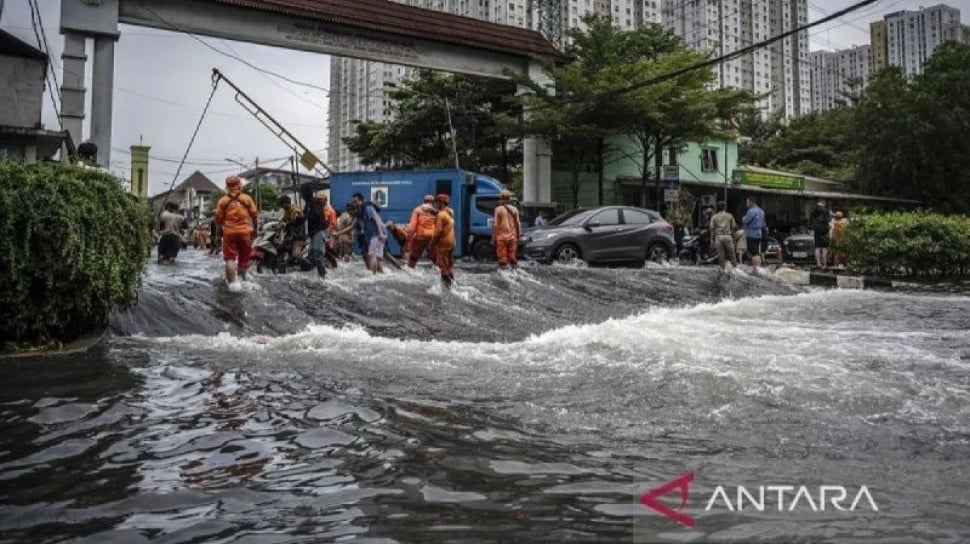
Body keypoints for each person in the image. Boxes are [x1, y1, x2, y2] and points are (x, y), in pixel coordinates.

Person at [215, 175, 259, 288]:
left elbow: (219, 221)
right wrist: (255, 230)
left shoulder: (222, 201)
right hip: (245, 233)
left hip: (229, 233)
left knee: (230, 258)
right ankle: (243, 282)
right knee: (244, 259)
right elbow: (254, 216)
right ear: (239, 185)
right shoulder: (247, 198)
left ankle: (233, 285)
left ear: (227, 186)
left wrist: (217, 236)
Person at [298, 185, 328, 277]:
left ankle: (324, 279)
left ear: (306, 193)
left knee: (318, 257)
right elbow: (303, 218)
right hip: (313, 233)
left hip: (318, 231)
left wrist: (306, 216)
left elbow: (316, 215)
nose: (301, 195)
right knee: (311, 256)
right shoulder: (308, 203)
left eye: (302, 193)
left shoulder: (313, 202)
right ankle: (315, 277)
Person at [352, 192, 387, 273]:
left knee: (372, 255)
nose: (354, 204)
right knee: (378, 256)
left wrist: (380, 233)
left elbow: (375, 219)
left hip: (376, 234)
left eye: (355, 201)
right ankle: (381, 274)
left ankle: (373, 276)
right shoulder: (362, 211)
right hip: (378, 234)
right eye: (353, 202)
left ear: (361, 200)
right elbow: (352, 226)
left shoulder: (367, 208)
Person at [430, 193, 456, 288]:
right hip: (452, 242)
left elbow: (437, 233)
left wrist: (431, 245)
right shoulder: (450, 213)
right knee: (449, 265)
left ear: (441, 203)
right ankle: (453, 284)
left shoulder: (441, 215)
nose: (435, 205)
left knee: (443, 266)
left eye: (437, 203)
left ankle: (448, 288)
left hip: (444, 243)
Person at [492, 189, 521, 270]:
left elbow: (496, 225)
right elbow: (517, 224)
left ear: (501, 198)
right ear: (509, 199)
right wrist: (518, 236)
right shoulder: (515, 209)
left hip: (501, 238)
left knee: (502, 260)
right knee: (512, 259)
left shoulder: (498, 209)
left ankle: (504, 276)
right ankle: (514, 274)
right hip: (512, 237)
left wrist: (493, 238)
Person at [407, 195, 438, 268]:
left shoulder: (417, 210)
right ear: (433, 203)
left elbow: (412, 227)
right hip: (432, 237)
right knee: (435, 258)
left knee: (413, 257)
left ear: (424, 201)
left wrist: (409, 239)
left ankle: (410, 271)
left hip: (420, 237)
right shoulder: (436, 212)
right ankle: (441, 273)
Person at [709, 201, 738, 270]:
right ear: (725, 207)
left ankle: (723, 269)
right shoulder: (730, 215)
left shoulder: (714, 216)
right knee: (732, 254)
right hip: (728, 236)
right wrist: (734, 238)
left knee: (721, 255)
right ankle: (735, 268)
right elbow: (733, 227)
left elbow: (711, 228)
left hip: (718, 236)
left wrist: (711, 240)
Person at [278, 194, 306, 262]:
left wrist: (286, 224)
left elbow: (295, 221)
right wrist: (279, 224)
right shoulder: (287, 211)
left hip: (299, 236)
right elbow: (282, 220)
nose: (282, 207)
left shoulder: (295, 210)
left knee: (295, 255)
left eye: (283, 205)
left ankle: (307, 264)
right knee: (280, 248)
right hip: (290, 236)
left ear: (287, 203)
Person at [741, 196, 765, 262]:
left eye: (747, 202)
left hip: (751, 234)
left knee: (754, 253)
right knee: (756, 250)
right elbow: (763, 223)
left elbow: (746, 221)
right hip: (759, 233)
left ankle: (757, 267)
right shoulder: (761, 211)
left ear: (751, 202)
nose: (746, 204)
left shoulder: (751, 211)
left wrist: (743, 218)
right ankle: (756, 266)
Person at [811, 200, 832, 268]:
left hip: (817, 229)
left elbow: (812, 219)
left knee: (817, 248)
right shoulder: (826, 210)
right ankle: (824, 264)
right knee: (824, 248)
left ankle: (818, 263)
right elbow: (828, 220)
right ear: (824, 204)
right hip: (824, 230)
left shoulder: (815, 210)